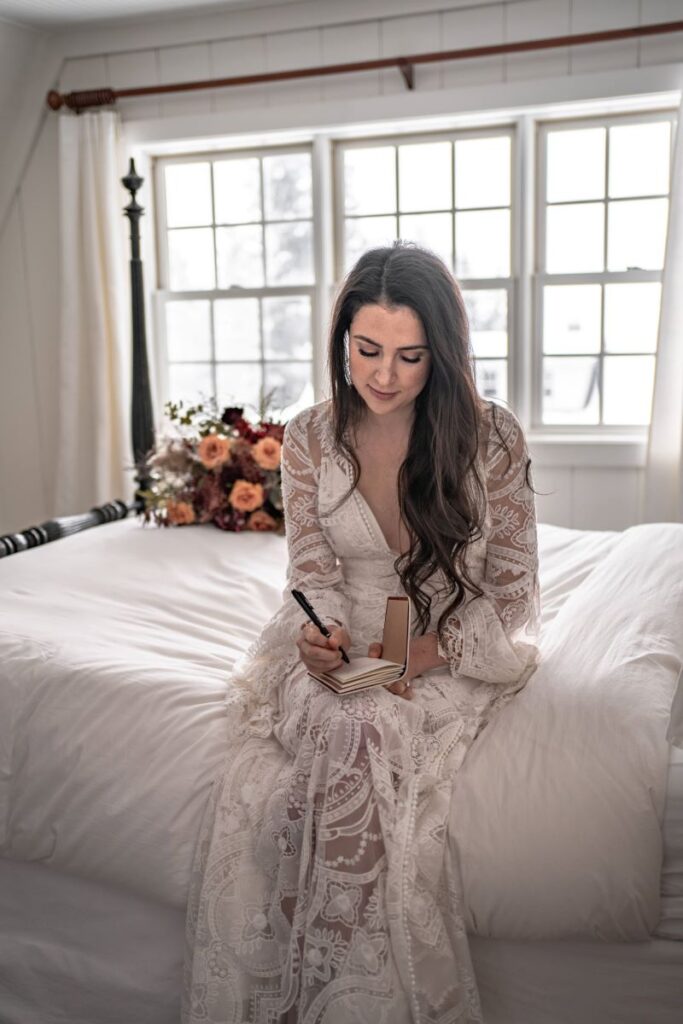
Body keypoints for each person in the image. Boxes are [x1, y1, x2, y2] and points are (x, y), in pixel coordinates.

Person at [182, 241, 540, 1024]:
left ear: (440, 355)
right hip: (341, 639)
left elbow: (511, 593)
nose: (383, 376)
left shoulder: (492, 437)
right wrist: (319, 635)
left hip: (446, 640)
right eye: (366, 350)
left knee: (371, 723)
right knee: (354, 718)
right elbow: (309, 569)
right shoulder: (310, 435)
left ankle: (335, 990)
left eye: (409, 357)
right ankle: (336, 987)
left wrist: (427, 650)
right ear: (341, 340)